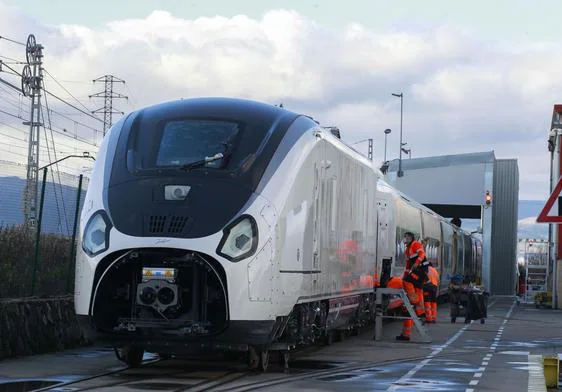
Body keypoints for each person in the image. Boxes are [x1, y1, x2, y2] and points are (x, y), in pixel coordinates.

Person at [402, 232, 429, 322]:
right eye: (404, 237)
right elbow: (408, 265)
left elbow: (422, 254)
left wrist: (417, 263)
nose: (405, 239)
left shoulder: (415, 244)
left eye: (406, 237)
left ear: (411, 238)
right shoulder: (407, 250)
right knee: (418, 289)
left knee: (407, 281)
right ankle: (420, 312)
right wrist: (405, 274)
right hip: (418, 270)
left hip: (421, 270)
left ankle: (414, 301)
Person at [385, 276, 414, 341]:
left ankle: (406, 335)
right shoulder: (396, 279)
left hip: (409, 296)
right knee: (409, 315)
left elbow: (386, 292)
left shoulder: (392, 282)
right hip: (411, 295)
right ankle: (405, 334)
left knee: (407, 315)